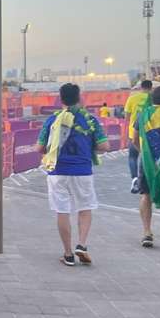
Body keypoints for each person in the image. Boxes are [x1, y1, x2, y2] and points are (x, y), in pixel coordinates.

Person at [38, 83, 110, 266]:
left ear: (60, 98)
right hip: (82, 171)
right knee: (85, 208)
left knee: (62, 211)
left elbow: (40, 147)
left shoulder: (52, 120)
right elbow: (104, 147)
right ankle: (82, 245)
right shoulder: (90, 120)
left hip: (57, 171)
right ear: (79, 97)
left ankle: (68, 254)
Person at [133, 86, 160, 247]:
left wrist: (143, 152)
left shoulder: (143, 114)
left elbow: (135, 139)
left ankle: (147, 232)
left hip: (147, 160)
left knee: (145, 194)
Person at [124, 80, 153, 193]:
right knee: (147, 157)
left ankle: (135, 179)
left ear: (141, 87)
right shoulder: (152, 98)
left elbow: (126, 116)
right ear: (151, 88)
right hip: (149, 134)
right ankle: (149, 181)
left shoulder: (132, 98)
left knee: (132, 157)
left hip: (134, 133)